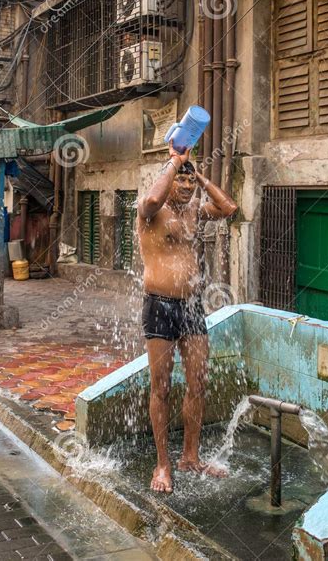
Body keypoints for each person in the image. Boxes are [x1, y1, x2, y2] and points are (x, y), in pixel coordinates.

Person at [137, 140, 238, 493]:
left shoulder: (196, 211)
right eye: (179, 181)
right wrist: (175, 161)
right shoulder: (149, 212)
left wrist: (201, 177)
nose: (184, 186)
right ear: (167, 180)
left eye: (188, 182)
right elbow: (152, 199)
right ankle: (163, 464)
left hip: (192, 307)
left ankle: (190, 457)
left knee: (198, 382)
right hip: (160, 305)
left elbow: (228, 207)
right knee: (161, 386)